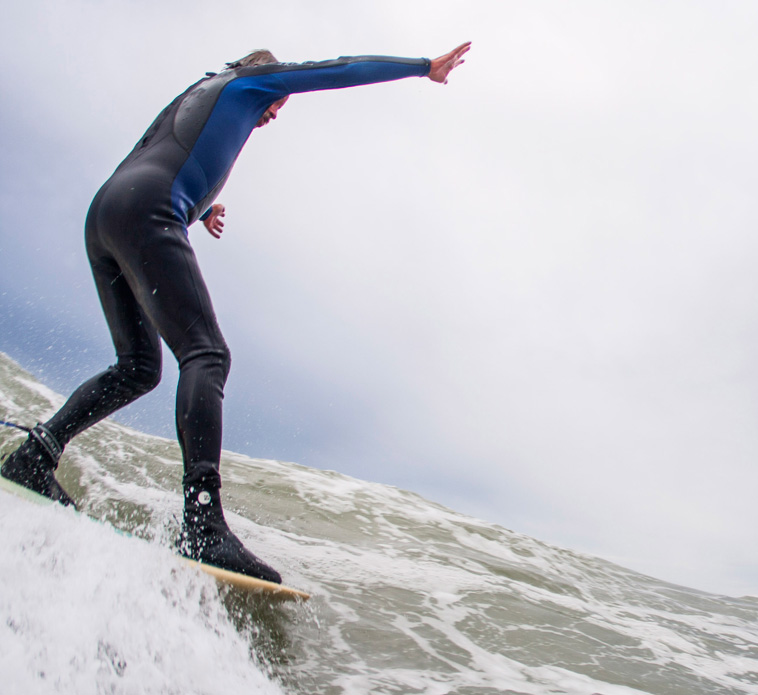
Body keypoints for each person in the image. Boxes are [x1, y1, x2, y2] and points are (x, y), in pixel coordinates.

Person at [0, 42, 471, 584]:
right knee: (207, 355)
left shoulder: (198, 93)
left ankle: (35, 455)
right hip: (149, 209)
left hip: (107, 214)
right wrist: (422, 68)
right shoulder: (251, 83)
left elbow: (166, 157)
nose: (274, 113)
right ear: (266, 78)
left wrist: (200, 209)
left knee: (138, 367)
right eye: (278, 102)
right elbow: (338, 70)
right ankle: (203, 522)